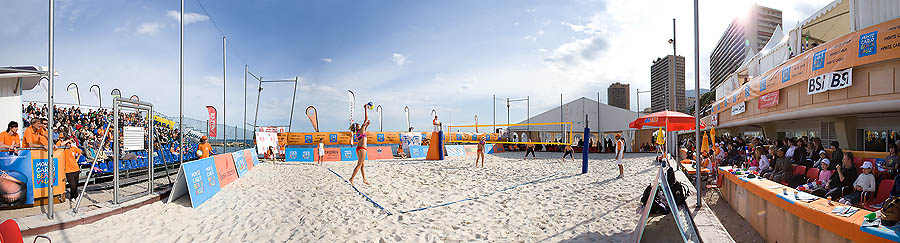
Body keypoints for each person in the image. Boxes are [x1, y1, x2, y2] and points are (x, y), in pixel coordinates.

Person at [348, 103, 372, 185]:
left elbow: (364, 132)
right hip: (362, 148)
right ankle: (351, 178)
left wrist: (367, 126)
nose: (360, 124)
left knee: (362, 165)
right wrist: (365, 109)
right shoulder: (361, 129)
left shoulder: (359, 132)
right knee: (359, 165)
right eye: (358, 124)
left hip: (358, 148)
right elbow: (366, 118)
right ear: (358, 127)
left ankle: (364, 179)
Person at [59, 135, 83, 200]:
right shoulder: (63, 149)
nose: (69, 144)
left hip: (76, 168)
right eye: (68, 143)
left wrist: (77, 158)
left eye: (70, 143)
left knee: (76, 184)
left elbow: (80, 152)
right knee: (72, 185)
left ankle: (73, 196)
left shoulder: (73, 148)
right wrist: (68, 140)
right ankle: (76, 196)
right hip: (68, 170)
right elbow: (61, 144)